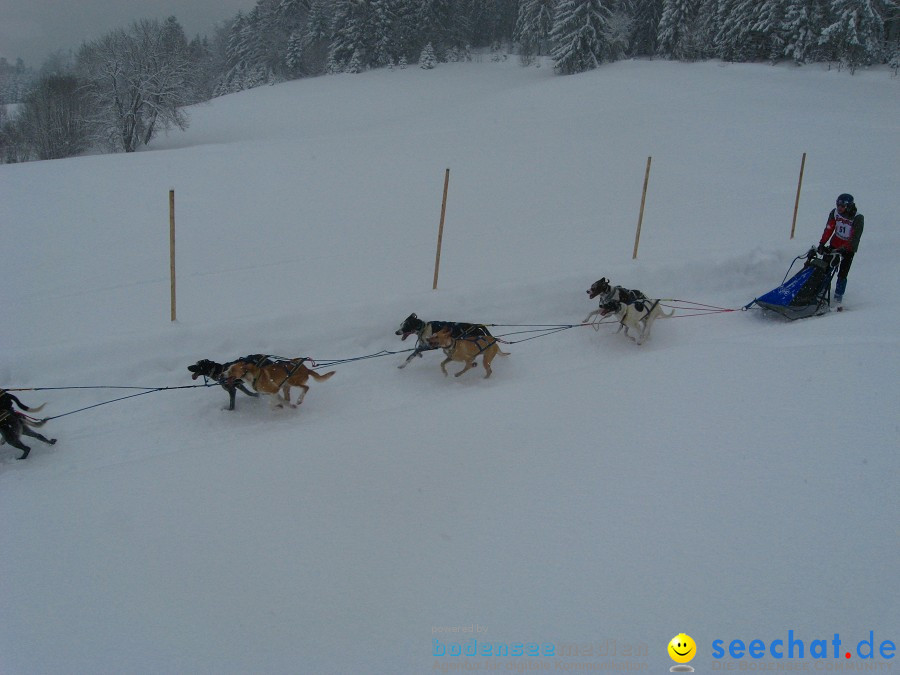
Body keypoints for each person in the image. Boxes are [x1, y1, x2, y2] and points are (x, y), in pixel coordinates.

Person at [817, 193, 863, 307]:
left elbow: (855, 238)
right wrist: (822, 243)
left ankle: (838, 298)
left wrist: (844, 249)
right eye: (838, 205)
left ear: (849, 206)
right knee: (825, 269)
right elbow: (829, 228)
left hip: (848, 249)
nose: (839, 208)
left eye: (842, 206)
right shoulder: (835, 213)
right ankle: (820, 294)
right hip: (834, 244)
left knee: (842, 273)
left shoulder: (858, 218)